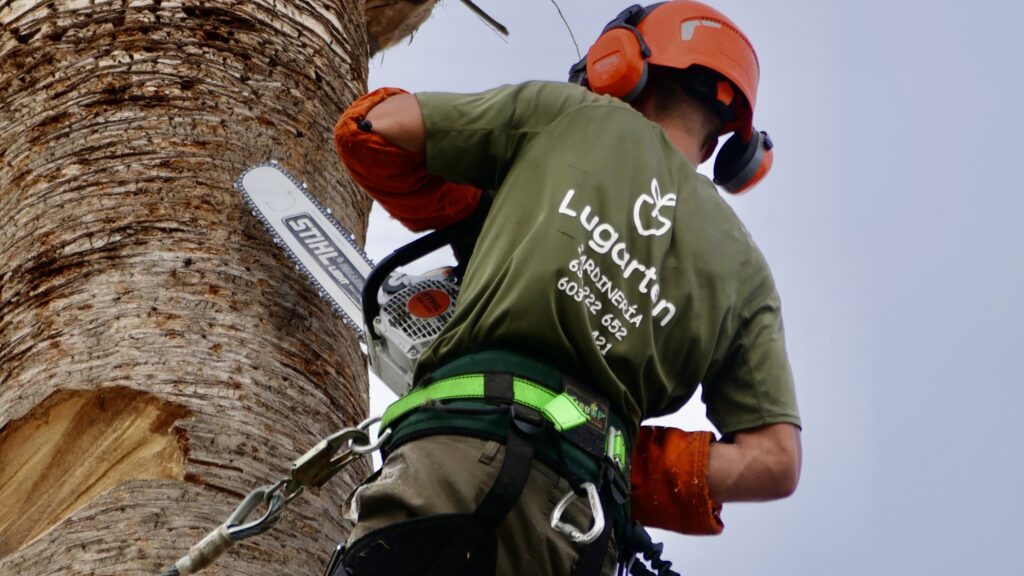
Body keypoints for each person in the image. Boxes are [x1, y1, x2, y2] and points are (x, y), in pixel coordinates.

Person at [330, 2, 801, 574]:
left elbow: (373, 130)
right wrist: (632, 467)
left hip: (454, 462)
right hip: (583, 523)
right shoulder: (745, 268)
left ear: (620, 62)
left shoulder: (566, 115)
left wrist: (478, 212)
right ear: (732, 144)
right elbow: (777, 461)